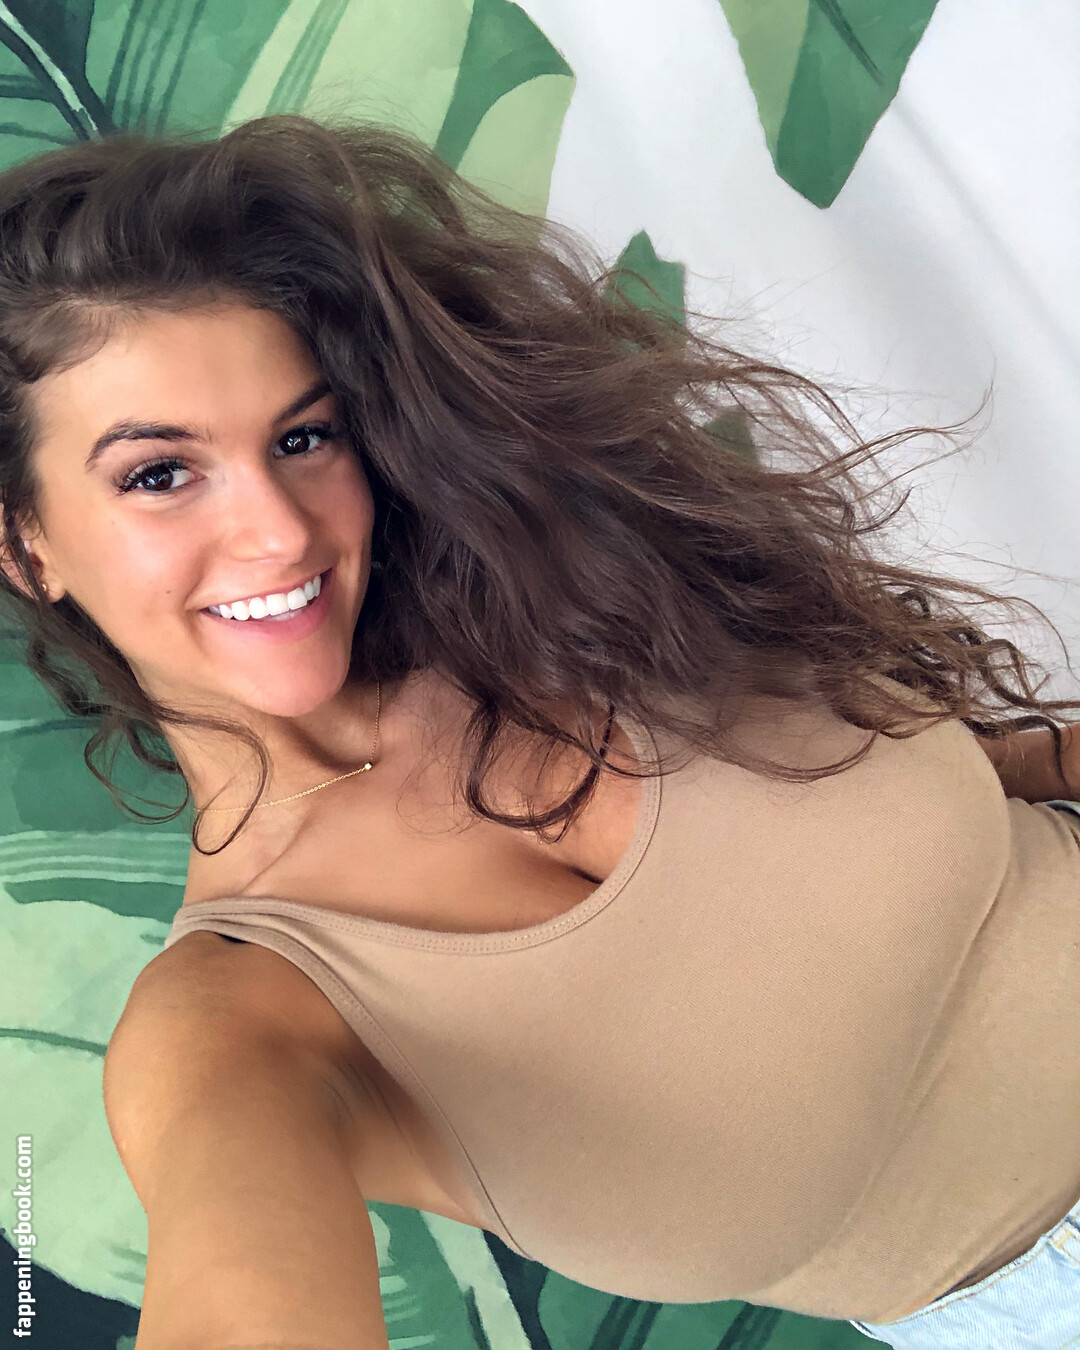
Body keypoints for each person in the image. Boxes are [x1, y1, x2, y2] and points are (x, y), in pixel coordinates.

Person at [1, 114, 1079, 1350]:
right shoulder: (236, 1015)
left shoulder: (559, 584)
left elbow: (960, 781)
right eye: (159, 474)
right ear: (25, 544)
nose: (281, 531)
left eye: (303, 438)